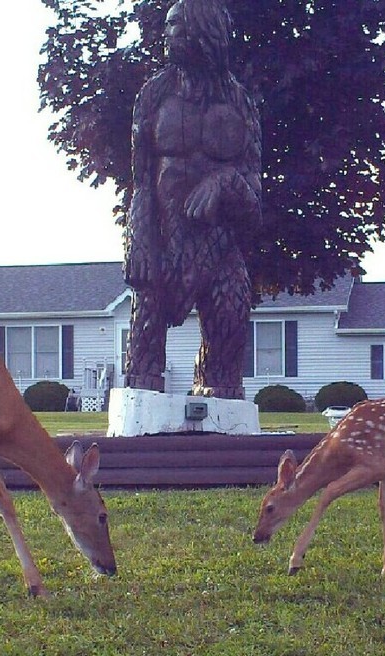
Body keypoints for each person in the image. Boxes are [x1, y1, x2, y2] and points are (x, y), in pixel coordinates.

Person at [124, 0, 262, 399]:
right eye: (169, 26)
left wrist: (225, 182)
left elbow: (254, 203)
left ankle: (221, 407)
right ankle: (140, 413)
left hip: (219, 246)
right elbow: (141, 180)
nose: (168, 35)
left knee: (232, 310)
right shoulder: (154, 95)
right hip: (163, 237)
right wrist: (138, 242)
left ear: (205, 32)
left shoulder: (240, 104)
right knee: (145, 333)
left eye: (178, 27)